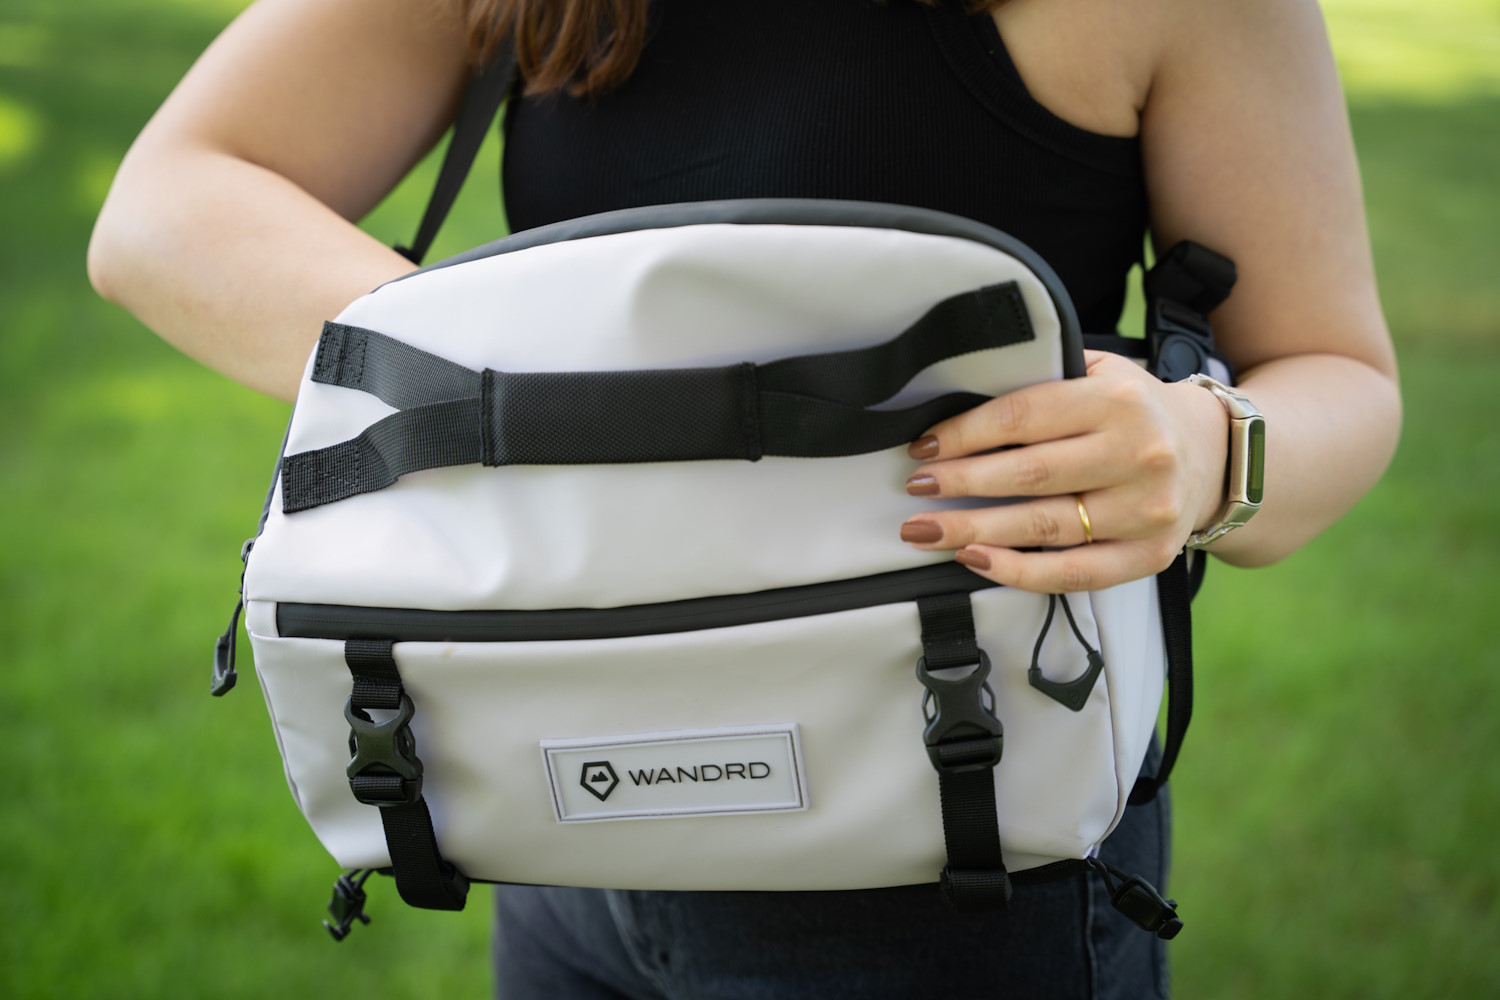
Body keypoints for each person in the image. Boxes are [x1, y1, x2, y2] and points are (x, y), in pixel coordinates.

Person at [88, 0, 1401, 996]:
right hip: (558, 828)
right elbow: (166, 207)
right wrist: (519, 393)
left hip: (955, 863)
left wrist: (1211, 442)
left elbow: (1337, 372)